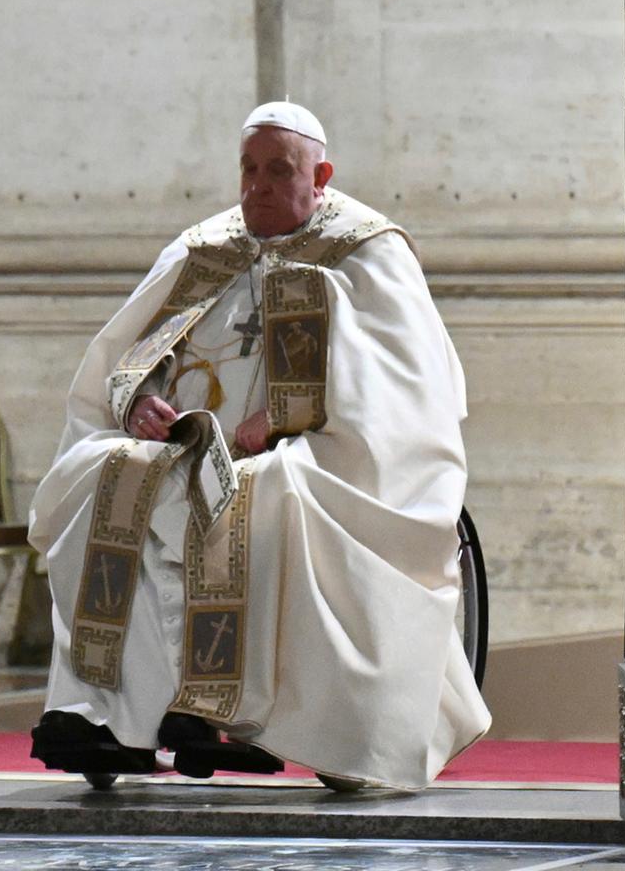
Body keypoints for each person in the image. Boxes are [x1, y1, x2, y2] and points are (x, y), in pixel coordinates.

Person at [27, 101, 489, 794]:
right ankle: (109, 719)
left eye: (279, 171)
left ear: (321, 175)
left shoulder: (367, 250)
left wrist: (288, 417)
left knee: (265, 493)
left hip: (314, 453)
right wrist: (139, 402)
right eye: (248, 169)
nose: (258, 187)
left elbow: (408, 389)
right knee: (104, 475)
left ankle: (227, 712)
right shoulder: (205, 248)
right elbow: (128, 355)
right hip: (182, 450)